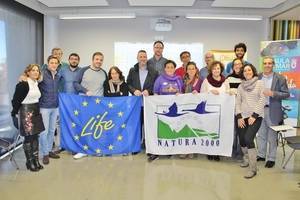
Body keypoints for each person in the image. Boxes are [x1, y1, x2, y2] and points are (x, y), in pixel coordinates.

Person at [73, 52, 108, 159]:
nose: (99, 61)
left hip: (98, 105)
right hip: (85, 103)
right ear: (92, 60)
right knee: (85, 126)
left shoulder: (104, 73)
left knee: (98, 127)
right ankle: (83, 150)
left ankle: (97, 149)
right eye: (97, 59)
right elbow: (75, 83)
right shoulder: (83, 70)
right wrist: (85, 90)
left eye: (101, 60)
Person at [256, 56, 290, 168]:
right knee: (261, 135)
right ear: (262, 64)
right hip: (260, 110)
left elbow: (286, 94)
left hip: (273, 110)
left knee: (272, 136)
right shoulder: (258, 77)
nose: (267, 65)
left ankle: (271, 158)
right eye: (265, 63)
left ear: (273, 64)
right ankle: (261, 155)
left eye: (269, 63)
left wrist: (273, 93)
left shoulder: (280, 78)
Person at [11, 64, 44, 172]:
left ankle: (35, 160)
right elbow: (15, 101)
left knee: (36, 136)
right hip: (26, 112)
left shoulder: (36, 83)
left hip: (36, 111)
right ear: (28, 72)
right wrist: (14, 114)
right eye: (33, 70)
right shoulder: (23, 84)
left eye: (37, 71)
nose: (35, 72)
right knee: (29, 137)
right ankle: (29, 161)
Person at [149, 60, 183, 162]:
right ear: (165, 68)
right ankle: (156, 151)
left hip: (174, 109)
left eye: (172, 67)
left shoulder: (178, 79)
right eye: (167, 67)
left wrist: (179, 94)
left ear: (174, 68)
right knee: (160, 130)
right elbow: (155, 92)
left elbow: (182, 92)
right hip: (162, 109)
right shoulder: (160, 79)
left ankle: (169, 150)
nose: (169, 69)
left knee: (171, 129)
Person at [235, 63, 265, 179]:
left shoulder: (259, 83)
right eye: (245, 71)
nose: (247, 72)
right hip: (243, 116)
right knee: (242, 139)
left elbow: (262, 99)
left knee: (248, 138)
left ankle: (253, 169)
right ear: (242, 73)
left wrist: (254, 115)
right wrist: (239, 117)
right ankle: (246, 159)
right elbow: (238, 102)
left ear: (253, 71)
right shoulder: (241, 86)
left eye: (249, 70)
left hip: (256, 116)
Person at [127, 50, 159, 152]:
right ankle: (136, 145)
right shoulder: (132, 70)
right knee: (137, 124)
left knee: (148, 124)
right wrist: (133, 90)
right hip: (136, 103)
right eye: (140, 57)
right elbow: (128, 84)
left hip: (148, 103)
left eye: (144, 57)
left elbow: (156, 85)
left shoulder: (153, 71)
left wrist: (149, 91)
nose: (143, 59)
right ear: (137, 58)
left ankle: (148, 144)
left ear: (147, 58)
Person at [200, 61, 230, 161]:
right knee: (209, 132)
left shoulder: (225, 81)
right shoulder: (206, 81)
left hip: (222, 111)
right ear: (211, 70)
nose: (216, 70)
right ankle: (209, 151)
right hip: (209, 111)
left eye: (218, 68)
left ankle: (217, 152)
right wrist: (209, 92)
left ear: (221, 69)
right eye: (214, 68)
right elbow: (201, 95)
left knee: (219, 132)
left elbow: (228, 94)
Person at [39, 56, 61, 165]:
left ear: (58, 64)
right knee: (44, 131)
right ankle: (44, 154)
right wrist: (23, 77)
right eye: (51, 62)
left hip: (55, 106)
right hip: (44, 107)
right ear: (48, 63)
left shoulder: (57, 75)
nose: (53, 64)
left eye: (55, 63)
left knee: (52, 130)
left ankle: (49, 150)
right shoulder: (42, 73)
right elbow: (34, 79)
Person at [180, 61, 203, 159]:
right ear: (186, 70)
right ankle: (184, 150)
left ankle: (192, 150)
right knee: (185, 129)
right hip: (184, 107)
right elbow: (180, 91)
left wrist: (198, 93)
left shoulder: (201, 80)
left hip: (196, 108)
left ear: (196, 69)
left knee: (193, 129)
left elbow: (204, 93)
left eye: (193, 68)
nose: (191, 70)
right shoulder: (183, 80)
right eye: (189, 68)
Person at [226, 58, 243, 160]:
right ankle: (232, 151)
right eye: (235, 64)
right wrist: (233, 91)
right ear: (232, 67)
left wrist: (235, 92)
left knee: (241, 131)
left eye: (239, 64)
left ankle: (240, 153)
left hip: (243, 109)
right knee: (233, 131)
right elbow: (227, 91)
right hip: (232, 108)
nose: (237, 66)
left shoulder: (246, 77)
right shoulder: (228, 78)